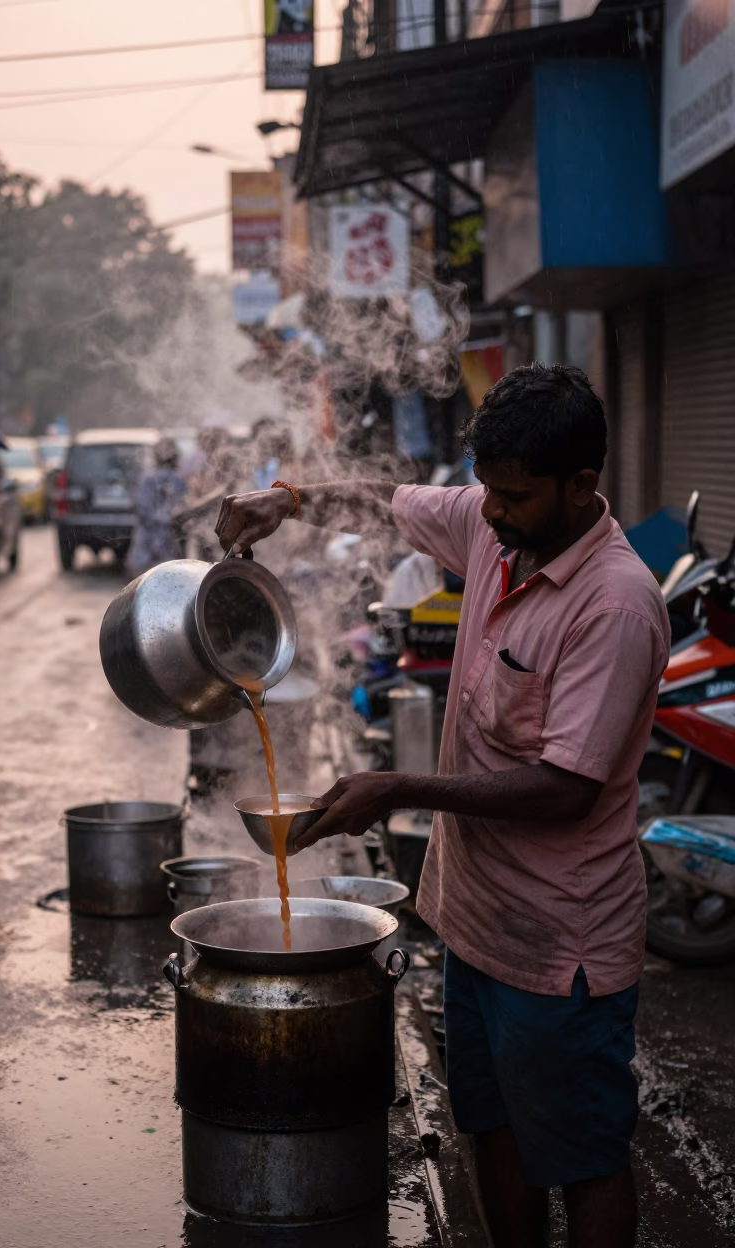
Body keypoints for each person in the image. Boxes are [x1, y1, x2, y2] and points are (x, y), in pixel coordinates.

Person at [215, 363, 670, 1248]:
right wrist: (288, 498)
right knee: (489, 1129)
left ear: (583, 486)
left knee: (581, 1158)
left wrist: (400, 789)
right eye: (486, 490)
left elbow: (566, 787)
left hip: (561, 947)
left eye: (514, 495)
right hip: (476, 922)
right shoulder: (497, 529)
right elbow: (388, 503)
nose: (491, 511)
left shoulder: (616, 604)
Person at [127, 436, 187, 579]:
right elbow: (182, 511)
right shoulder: (178, 480)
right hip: (169, 550)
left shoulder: (146, 478)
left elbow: (141, 509)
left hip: (144, 549)